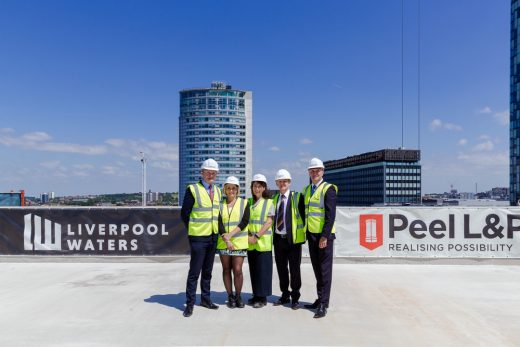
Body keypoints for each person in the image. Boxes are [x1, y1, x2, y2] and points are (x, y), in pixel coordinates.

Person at [180, 158, 222, 318]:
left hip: (212, 237)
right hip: (198, 238)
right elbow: (185, 213)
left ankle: (205, 299)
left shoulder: (218, 191)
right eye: (208, 172)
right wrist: (193, 230)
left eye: (214, 172)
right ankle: (189, 304)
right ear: (202, 173)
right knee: (194, 272)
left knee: (208, 271)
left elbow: (217, 214)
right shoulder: (193, 189)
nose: (211, 174)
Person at [303, 157, 337, 319]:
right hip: (311, 235)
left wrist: (325, 235)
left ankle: (324, 303)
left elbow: (330, 215)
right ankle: (320, 298)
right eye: (312, 170)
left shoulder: (328, 189)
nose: (314, 173)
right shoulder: (307, 190)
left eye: (317, 170)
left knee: (325, 270)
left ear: (322, 171)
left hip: (324, 237)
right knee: (317, 269)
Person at [272, 169, 306, 310]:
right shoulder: (274, 198)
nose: (282, 184)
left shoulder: (297, 197)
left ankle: (295, 297)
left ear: (289, 182)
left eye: (284, 181)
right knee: (281, 269)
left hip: (293, 241)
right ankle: (285, 294)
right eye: (280, 181)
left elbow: (304, 217)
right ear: (276, 183)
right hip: (279, 239)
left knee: (294, 270)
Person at [217, 176, 250, 309]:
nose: (231, 190)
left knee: (237, 270)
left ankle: (238, 296)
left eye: (233, 188)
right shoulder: (219, 205)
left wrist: (230, 236)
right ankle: (230, 296)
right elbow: (218, 223)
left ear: (237, 190)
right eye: (228, 188)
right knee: (226, 269)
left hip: (239, 242)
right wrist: (226, 239)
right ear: (225, 189)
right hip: (223, 243)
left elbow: (244, 221)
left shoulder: (244, 203)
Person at [247, 174, 274, 308]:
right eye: (254, 186)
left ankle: (262, 298)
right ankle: (256, 295)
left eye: (259, 186)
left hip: (262, 242)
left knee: (263, 271)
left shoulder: (269, 202)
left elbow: (269, 222)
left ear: (264, 188)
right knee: (254, 270)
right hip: (251, 242)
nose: (256, 189)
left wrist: (256, 236)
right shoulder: (249, 203)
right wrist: (248, 237)